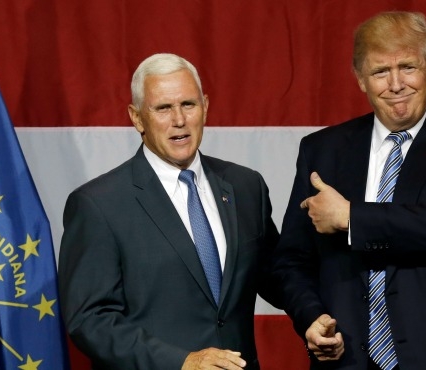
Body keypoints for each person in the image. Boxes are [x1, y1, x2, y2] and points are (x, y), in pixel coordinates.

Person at [273, 11, 426, 370]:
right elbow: (292, 259)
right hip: (349, 359)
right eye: (380, 72)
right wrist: (311, 318)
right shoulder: (322, 150)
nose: (396, 84)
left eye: (408, 67)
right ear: (360, 79)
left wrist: (351, 218)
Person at [58, 53, 281, 370]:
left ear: (205, 105)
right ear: (137, 118)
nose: (179, 119)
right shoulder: (98, 204)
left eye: (188, 104)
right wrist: (181, 362)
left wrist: (314, 313)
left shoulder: (245, 186)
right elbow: (90, 320)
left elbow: (277, 275)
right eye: (163, 108)